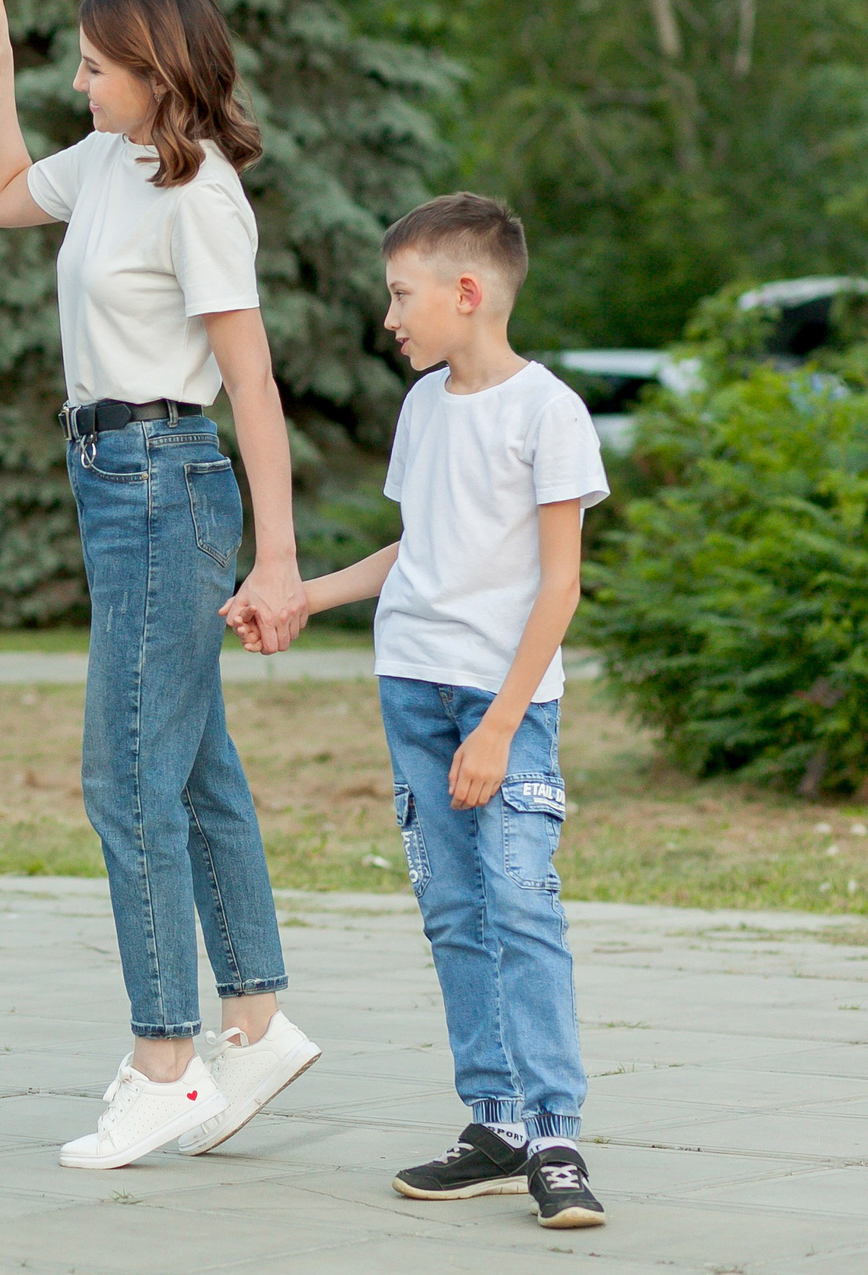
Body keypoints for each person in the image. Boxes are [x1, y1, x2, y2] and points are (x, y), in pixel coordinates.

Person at [0, 0, 322, 1169]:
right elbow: (3, 196)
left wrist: (276, 561)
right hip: (112, 480)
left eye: (94, 66)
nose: (80, 81)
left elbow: (255, 384)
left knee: (124, 778)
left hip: (168, 478)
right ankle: (257, 1026)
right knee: (191, 764)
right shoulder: (109, 163)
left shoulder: (201, 194)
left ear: (155, 70)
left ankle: (165, 1062)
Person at [294, 192, 610, 1230]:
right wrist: (304, 594)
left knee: (519, 900)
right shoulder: (423, 405)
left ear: (465, 294)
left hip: (501, 699)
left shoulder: (545, 411)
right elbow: (414, 552)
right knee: (452, 911)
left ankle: (555, 1134)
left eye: (401, 294)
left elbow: (558, 587)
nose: (389, 318)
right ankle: (496, 1122)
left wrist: (497, 725)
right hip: (411, 686)